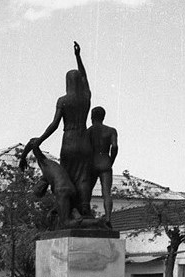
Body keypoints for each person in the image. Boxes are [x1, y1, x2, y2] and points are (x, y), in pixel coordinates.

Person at [32, 41, 94, 220]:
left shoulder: (63, 100)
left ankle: (68, 212)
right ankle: (84, 209)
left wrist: (40, 139)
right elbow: (85, 77)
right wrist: (78, 57)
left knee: (67, 175)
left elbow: (54, 124)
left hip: (69, 141)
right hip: (84, 141)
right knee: (83, 177)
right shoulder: (86, 97)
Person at [88, 106, 118, 226]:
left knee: (87, 192)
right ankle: (108, 219)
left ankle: (87, 214)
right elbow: (115, 147)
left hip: (92, 163)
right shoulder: (111, 131)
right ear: (103, 117)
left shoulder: (88, 131)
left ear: (92, 117)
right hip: (105, 161)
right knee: (106, 193)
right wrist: (111, 160)